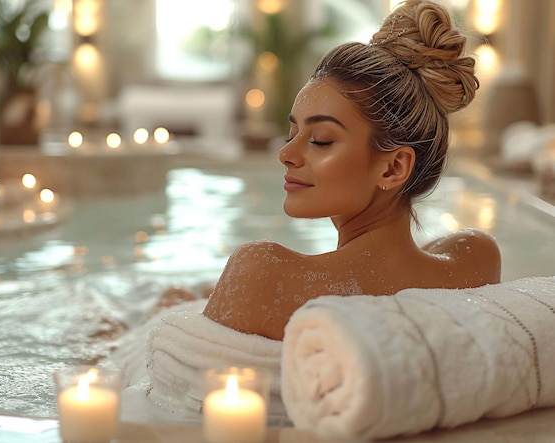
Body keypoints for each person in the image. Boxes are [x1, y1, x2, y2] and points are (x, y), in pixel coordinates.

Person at [160, 0, 501, 341]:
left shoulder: (263, 276)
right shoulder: (474, 261)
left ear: (394, 168)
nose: (286, 154)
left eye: (321, 140)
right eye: (293, 134)